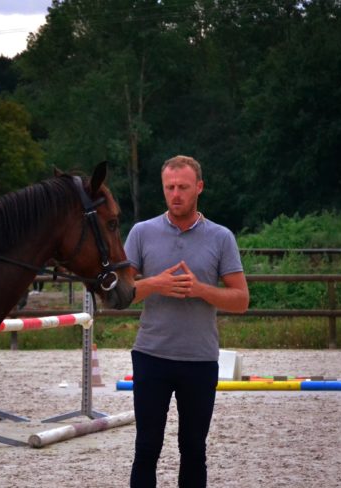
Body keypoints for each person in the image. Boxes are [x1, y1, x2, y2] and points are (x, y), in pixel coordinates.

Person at [124, 155, 249, 487]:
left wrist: (201, 290)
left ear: (199, 188)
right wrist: (154, 284)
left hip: (199, 358)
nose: (175, 194)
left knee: (193, 448)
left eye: (182, 187)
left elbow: (241, 300)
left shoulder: (221, 237)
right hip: (151, 356)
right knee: (146, 446)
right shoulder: (141, 232)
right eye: (169, 187)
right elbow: (119, 296)